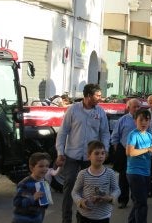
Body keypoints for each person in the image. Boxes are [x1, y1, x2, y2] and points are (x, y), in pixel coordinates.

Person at [55, 83, 110, 223]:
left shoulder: (100, 112)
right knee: (69, 188)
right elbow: (63, 132)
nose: (100, 98)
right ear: (88, 96)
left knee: (90, 189)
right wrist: (60, 152)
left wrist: (105, 150)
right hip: (72, 156)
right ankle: (66, 220)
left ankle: (86, 217)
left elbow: (104, 133)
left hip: (90, 158)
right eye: (97, 96)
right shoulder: (73, 110)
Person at [71, 140, 120, 223]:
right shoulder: (83, 174)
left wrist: (111, 198)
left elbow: (117, 190)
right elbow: (75, 192)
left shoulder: (110, 173)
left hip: (103, 216)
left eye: (103, 153)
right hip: (84, 215)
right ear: (89, 156)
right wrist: (80, 201)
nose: (100, 156)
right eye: (96, 153)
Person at [126, 108, 152, 223]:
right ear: (135, 121)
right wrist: (147, 149)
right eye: (141, 120)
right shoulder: (133, 134)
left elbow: (148, 154)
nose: (144, 123)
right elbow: (130, 152)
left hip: (146, 172)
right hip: (135, 173)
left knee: (138, 202)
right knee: (142, 204)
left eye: (147, 120)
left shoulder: (149, 135)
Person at [109, 98, 141, 209]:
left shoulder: (143, 120)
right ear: (128, 108)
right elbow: (115, 136)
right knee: (124, 176)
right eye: (134, 107)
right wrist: (117, 149)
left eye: (138, 107)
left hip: (138, 152)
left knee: (136, 176)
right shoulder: (123, 120)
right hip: (124, 151)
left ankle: (136, 198)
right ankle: (123, 199)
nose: (137, 109)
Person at [12, 152, 52, 223]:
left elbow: (43, 206)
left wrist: (46, 200)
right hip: (22, 219)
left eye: (47, 166)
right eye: (41, 166)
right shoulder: (25, 183)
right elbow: (16, 202)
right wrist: (32, 198)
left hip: (37, 218)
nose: (45, 169)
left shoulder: (45, 182)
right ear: (31, 168)